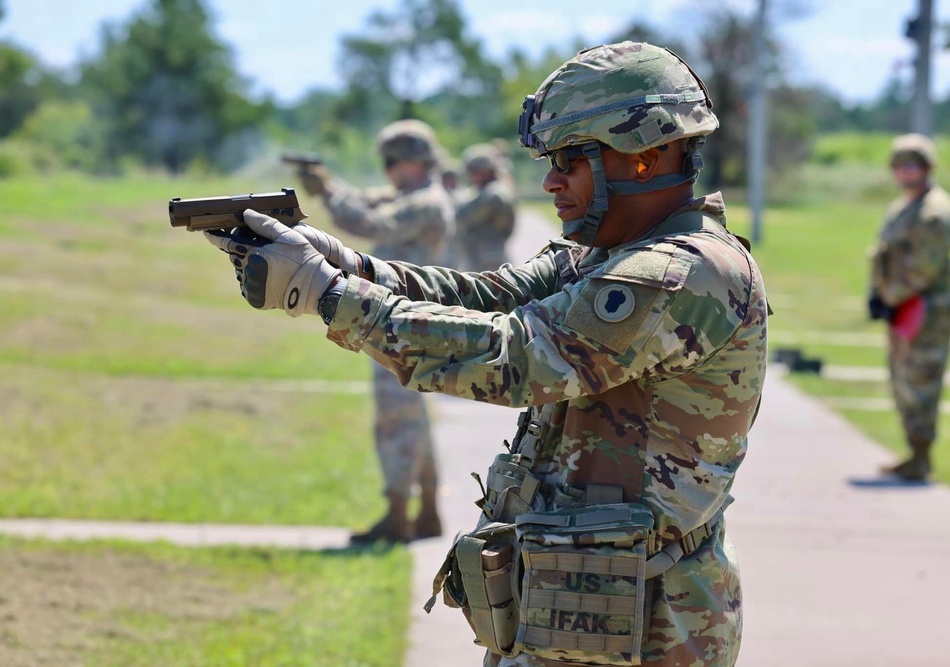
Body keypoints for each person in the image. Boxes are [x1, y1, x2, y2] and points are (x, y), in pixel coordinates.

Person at [206, 41, 768, 666]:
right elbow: (485, 296)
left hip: (644, 628)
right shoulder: (608, 253)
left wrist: (331, 297)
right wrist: (348, 265)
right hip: (586, 605)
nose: (550, 181)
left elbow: (520, 358)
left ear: (646, 156)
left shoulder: (681, 273)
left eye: (570, 161)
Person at [294, 119, 455, 543]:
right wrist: (330, 185)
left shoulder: (424, 202)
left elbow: (368, 223)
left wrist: (327, 191)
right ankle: (427, 514)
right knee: (413, 418)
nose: (386, 171)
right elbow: (367, 201)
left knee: (396, 419)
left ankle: (398, 516)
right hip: (410, 320)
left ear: (412, 162)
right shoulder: (418, 197)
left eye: (391, 162)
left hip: (402, 323)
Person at [868, 133, 950, 483]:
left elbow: (923, 266)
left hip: (925, 310)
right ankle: (914, 453)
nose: (906, 172)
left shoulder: (934, 212)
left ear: (927, 168)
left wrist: (888, 296)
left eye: (913, 165)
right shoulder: (907, 204)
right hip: (903, 306)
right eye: (900, 166)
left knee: (921, 380)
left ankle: (921, 457)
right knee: (904, 379)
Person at [453, 142, 518, 270]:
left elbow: (464, 215)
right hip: (478, 256)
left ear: (485, 171)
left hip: (488, 259)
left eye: (473, 172)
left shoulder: (495, 193)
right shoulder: (486, 190)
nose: (471, 176)